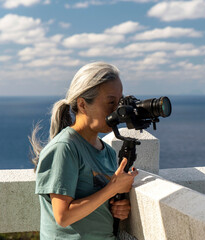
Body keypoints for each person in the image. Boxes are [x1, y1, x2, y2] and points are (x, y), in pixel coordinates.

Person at [30, 62, 138, 239]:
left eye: (119, 102)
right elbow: (63, 217)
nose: (117, 110)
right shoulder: (64, 148)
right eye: (111, 102)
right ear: (82, 105)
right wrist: (112, 188)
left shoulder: (108, 153)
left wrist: (118, 208)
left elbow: (96, 203)